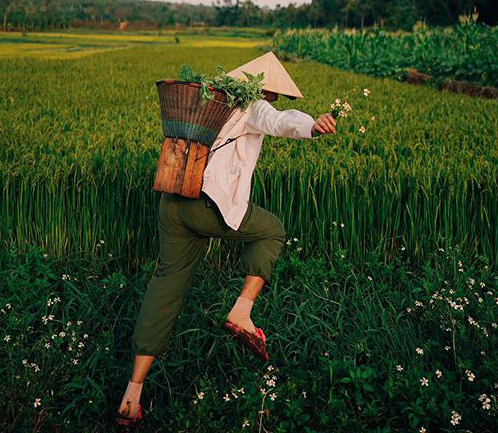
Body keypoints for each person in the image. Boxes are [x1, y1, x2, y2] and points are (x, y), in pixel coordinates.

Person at [114, 51, 336, 429]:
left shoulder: (206, 101)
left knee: (166, 284)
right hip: (209, 204)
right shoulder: (252, 104)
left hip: (173, 201)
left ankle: (131, 396)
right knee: (272, 230)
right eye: (274, 94)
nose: (273, 100)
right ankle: (242, 311)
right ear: (264, 90)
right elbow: (277, 120)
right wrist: (312, 126)